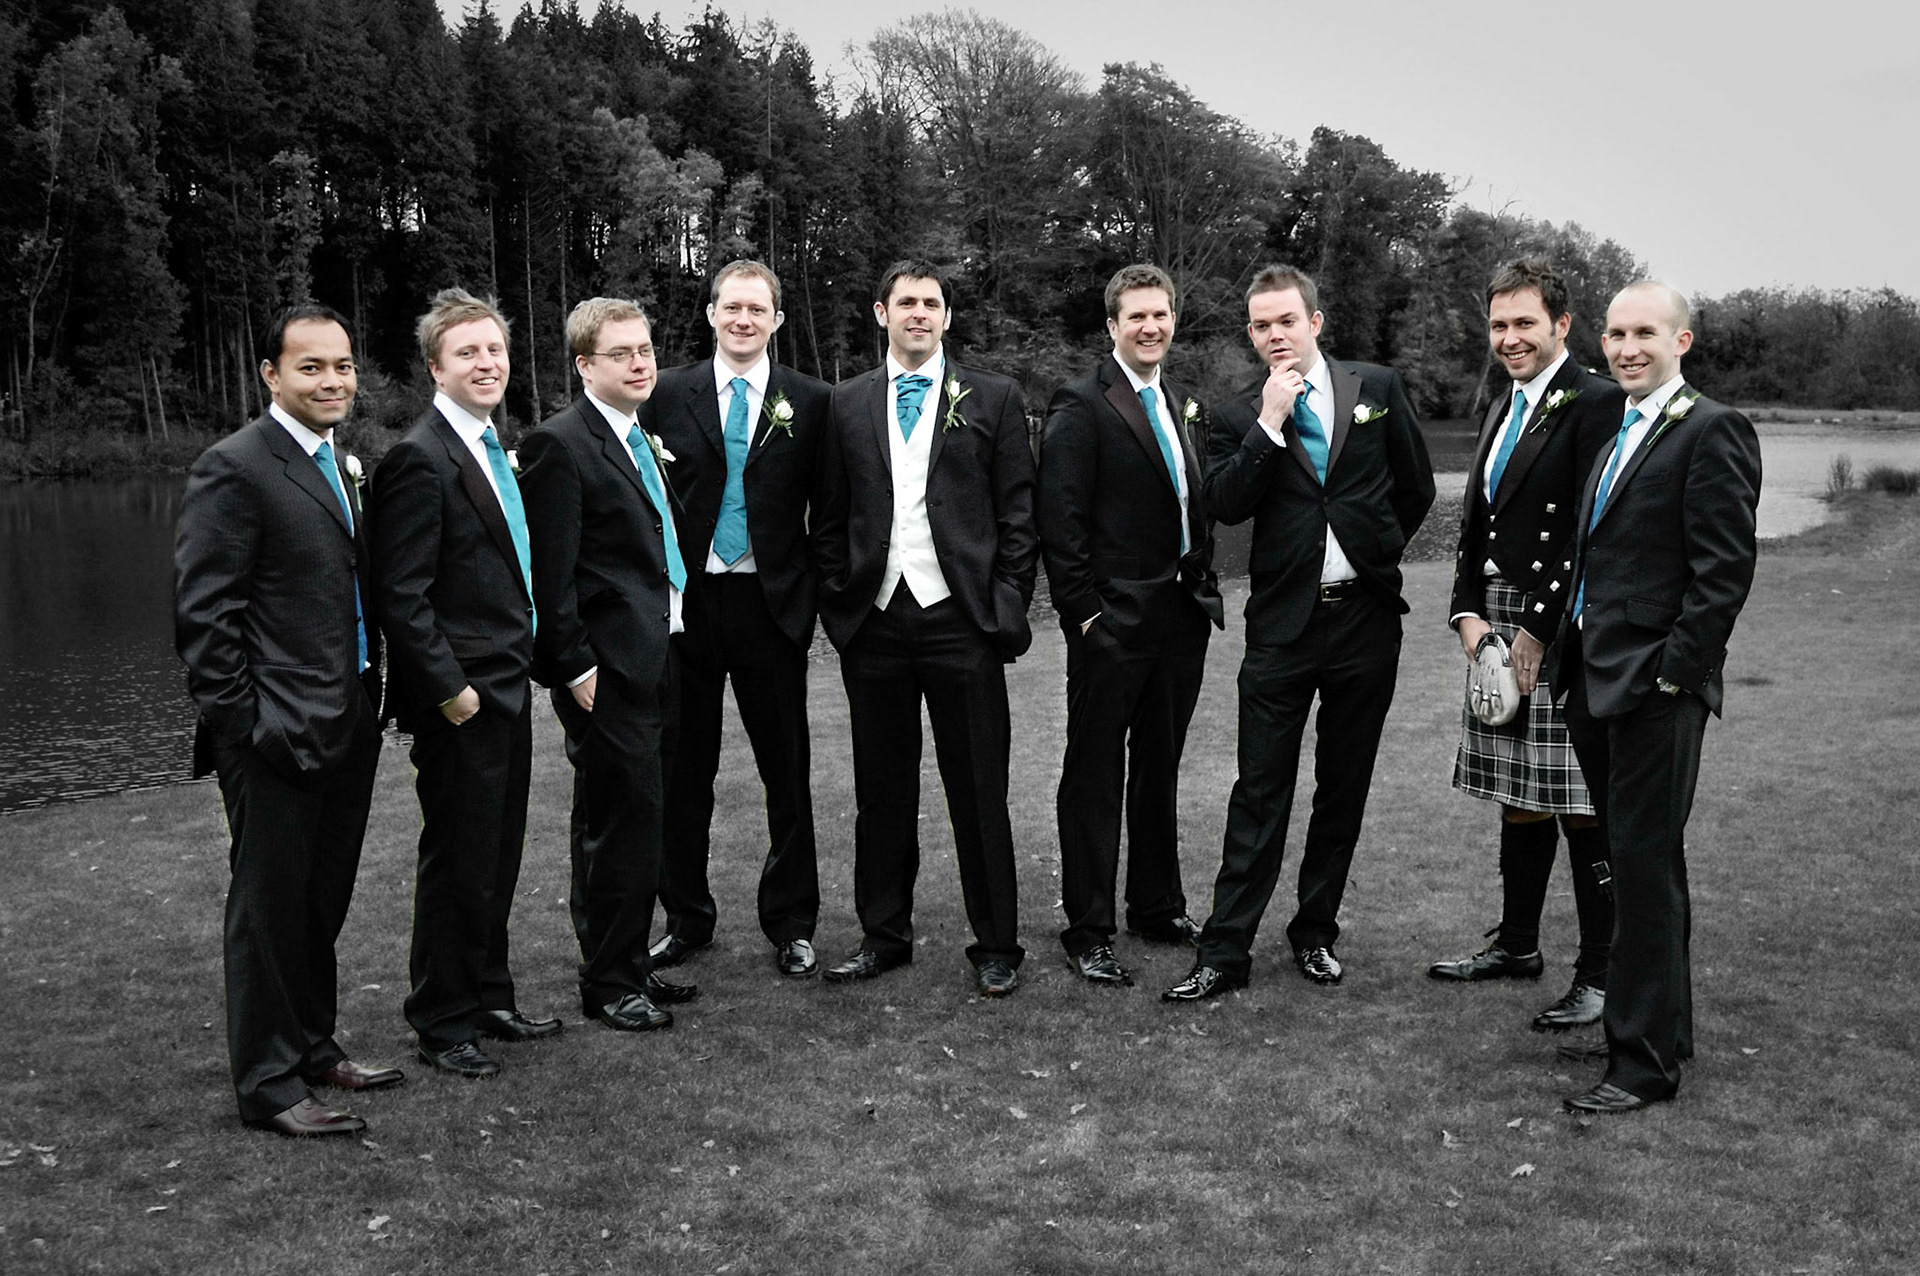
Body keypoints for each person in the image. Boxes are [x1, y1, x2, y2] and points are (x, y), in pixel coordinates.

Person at [1165, 264, 1434, 1001]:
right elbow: (1224, 502)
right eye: (1262, 325)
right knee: (1259, 790)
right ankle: (1224, 952)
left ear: (1315, 321)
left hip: (1365, 622)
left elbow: (1414, 488)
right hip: (1282, 628)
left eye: (1287, 320)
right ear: (1251, 335)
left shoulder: (1376, 388)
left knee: (1342, 787)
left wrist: (1375, 550)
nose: (1275, 334)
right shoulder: (1236, 414)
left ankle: (1315, 933)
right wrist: (1270, 423)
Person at [175, 304, 400, 1135]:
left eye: (342, 365)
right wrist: (249, 727)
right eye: (311, 367)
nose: (333, 381)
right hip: (275, 732)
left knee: (319, 899)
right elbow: (205, 620)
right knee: (267, 908)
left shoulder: (340, 462)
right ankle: (269, 1085)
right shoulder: (234, 467)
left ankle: (312, 1045)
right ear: (270, 374)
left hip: (348, 717)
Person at [1554, 281, 1760, 1114]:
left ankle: (1641, 1067)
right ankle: (1657, 1031)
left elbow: (1724, 571)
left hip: (1653, 686)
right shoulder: (1620, 430)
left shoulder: (1712, 428)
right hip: (1594, 677)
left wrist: (1675, 673)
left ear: (1682, 341)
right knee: (1637, 863)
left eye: (1645, 332)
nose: (1626, 347)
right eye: (1615, 333)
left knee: (1642, 867)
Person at [813, 260, 1038, 997]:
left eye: (931, 303)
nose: (919, 313)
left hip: (961, 621)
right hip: (874, 621)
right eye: (906, 301)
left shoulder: (994, 397)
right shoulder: (846, 402)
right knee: (880, 790)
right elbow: (830, 515)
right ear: (882, 313)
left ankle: (997, 944)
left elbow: (1018, 514)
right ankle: (883, 937)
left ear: (946, 316)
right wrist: (841, 605)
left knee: (979, 787)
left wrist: (1003, 605)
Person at [1427, 261, 1623, 1033]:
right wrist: (1465, 614)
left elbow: (1589, 527)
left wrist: (1541, 627)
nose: (1509, 338)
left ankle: (1601, 974)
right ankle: (1516, 946)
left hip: (1563, 625)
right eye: (1499, 325)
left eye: (1524, 324)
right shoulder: (1502, 404)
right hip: (1496, 618)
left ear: (1561, 325)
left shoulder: (1596, 402)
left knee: (1580, 800)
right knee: (1521, 795)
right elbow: (1475, 527)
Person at [370, 288, 558, 1080]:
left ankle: (488, 996)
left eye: (495, 350)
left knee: (497, 854)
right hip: (463, 701)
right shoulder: (420, 458)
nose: (487, 363)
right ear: (435, 367)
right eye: (468, 352)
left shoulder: (489, 444)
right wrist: (451, 691)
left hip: (507, 686)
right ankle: (442, 1020)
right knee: (457, 859)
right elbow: (401, 594)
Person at [644, 261, 832, 980]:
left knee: (786, 771)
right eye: (732, 307)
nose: (743, 319)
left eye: (758, 309)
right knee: (684, 771)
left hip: (770, 605)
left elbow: (831, 509)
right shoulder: (667, 393)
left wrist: (807, 599)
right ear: (712, 314)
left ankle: (793, 923)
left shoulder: (811, 401)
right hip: (687, 608)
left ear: (777, 319)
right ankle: (686, 918)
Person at [1037, 264, 1223, 986]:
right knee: (1093, 774)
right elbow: (1061, 519)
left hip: (1180, 618)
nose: (1151, 326)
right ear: (1112, 325)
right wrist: (1085, 615)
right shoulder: (1082, 402)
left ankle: (1156, 906)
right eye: (1137, 316)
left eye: (1161, 314)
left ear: (1173, 320)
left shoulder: (1179, 401)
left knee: (1157, 768)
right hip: (1111, 622)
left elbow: (1192, 502)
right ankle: (1088, 928)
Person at [517, 297, 697, 1033]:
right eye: (620, 354)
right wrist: (574, 668)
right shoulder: (559, 444)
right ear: (585, 365)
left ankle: (628, 963)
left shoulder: (635, 434)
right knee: (615, 825)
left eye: (644, 349)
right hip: (607, 670)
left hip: (659, 653)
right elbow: (550, 574)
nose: (639, 363)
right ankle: (609, 983)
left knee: (641, 819)